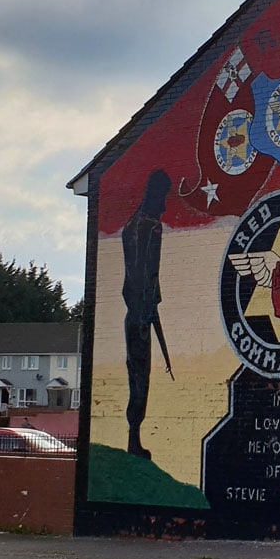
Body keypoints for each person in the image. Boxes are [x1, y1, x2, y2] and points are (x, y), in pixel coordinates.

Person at [122, 169, 170, 459]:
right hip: (142, 314)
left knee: (135, 375)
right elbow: (146, 275)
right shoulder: (152, 227)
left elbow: (132, 280)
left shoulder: (129, 226)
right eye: (163, 198)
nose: (165, 206)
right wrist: (150, 307)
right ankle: (133, 440)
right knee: (141, 377)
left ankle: (133, 438)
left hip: (133, 313)